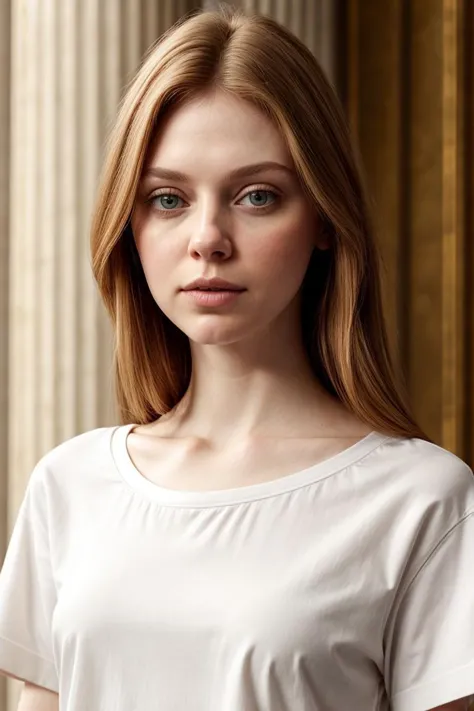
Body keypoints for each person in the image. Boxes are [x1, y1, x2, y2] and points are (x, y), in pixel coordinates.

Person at [0, 4, 473, 711]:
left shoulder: (422, 502)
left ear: (321, 216)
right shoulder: (69, 486)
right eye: (168, 198)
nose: (208, 238)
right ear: (128, 226)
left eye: (257, 195)